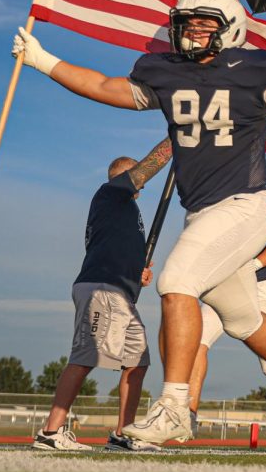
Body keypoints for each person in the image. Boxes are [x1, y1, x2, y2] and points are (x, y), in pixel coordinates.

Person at [13, 0, 266, 444]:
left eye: (203, 24)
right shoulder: (167, 73)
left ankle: (173, 406)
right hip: (203, 212)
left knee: (175, 282)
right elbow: (105, 86)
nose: (192, 33)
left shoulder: (256, 71)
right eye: (187, 24)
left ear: (229, 30)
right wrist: (43, 61)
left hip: (246, 203)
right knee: (240, 320)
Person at [33, 139, 171, 451]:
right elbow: (147, 168)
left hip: (121, 293)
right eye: (136, 179)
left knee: (138, 361)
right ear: (124, 176)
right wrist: (175, 139)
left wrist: (137, 271)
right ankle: (50, 432)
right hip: (102, 289)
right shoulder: (111, 193)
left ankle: (123, 435)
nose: (141, 186)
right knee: (85, 356)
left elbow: (113, 247)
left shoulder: (123, 209)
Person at [187, 215, 266, 432]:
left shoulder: (257, 196)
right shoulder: (212, 200)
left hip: (259, 285)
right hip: (224, 286)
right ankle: (188, 419)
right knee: (197, 341)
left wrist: (250, 266)